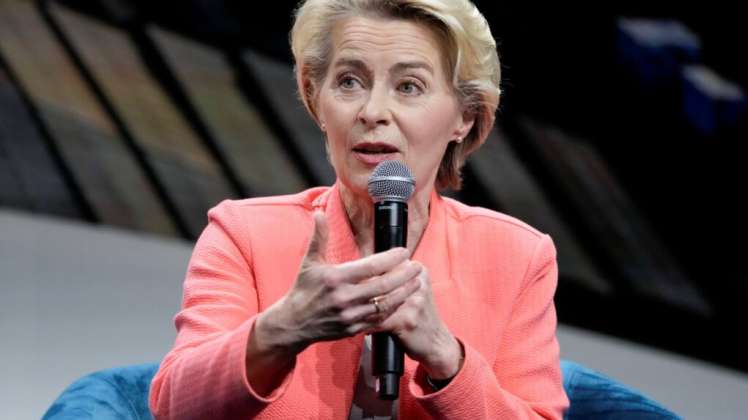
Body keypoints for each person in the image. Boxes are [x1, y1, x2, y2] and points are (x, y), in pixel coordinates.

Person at [149, 0, 570, 418]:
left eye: (409, 87)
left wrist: (446, 357)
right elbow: (173, 407)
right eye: (349, 82)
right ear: (316, 99)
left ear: (465, 117)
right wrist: (283, 328)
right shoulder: (244, 234)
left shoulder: (517, 256)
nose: (372, 112)